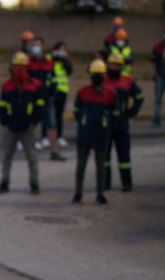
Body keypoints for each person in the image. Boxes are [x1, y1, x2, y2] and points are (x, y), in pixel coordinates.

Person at [72, 59, 119, 205]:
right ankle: (78, 193)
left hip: (101, 136)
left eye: (99, 74)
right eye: (94, 74)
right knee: (81, 166)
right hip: (85, 135)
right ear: (90, 76)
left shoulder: (110, 93)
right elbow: (76, 112)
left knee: (101, 167)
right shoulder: (83, 92)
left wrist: (107, 127)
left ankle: (100, 194)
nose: (96, 77)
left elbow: (115, 113)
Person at [0, 52, 43, 194]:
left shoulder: (35, 85)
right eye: (16, 66)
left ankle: (34, 183)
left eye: (22, 66)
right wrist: (5, 122)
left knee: (32, 157)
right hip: (10, 127)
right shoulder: (7, 85)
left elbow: (39, 106)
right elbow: (2, 106)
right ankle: (4, 182)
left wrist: (33, 122)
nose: (19, 69)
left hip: (28, 127)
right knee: (6, 156)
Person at [103, 53, 143, 192]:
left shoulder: (128, 81)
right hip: (106, 124)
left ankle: (127, 183)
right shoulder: (103, 80)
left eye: (117, 65)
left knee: (124, 156)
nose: (114, 67)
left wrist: (131, 112)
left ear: (121, 66)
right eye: (111, 64)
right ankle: (105, 183)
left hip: (121, 124)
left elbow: (139, 97)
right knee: (104, 157)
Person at [28, 37, 65, 161]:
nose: (36, 48)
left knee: (52, 125)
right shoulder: (28, 62)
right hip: (33, 99)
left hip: (47, 98)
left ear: (43, 47)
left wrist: (53, 95)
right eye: (33, 45)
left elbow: (54, 80)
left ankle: (54, 151)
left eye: (38, 45)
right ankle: (30, 151)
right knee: (31, 125)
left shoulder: (49, 63)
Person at [51, 41, 72, 148]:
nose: (61, 52)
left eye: (63, 50)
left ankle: (59, 136)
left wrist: (65, 59)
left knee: (59, 115)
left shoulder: (65, 62)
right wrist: (53, 57)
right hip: (52, 91)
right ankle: (46, 137)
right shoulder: (52, 60)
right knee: (50, 115)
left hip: (62, 90)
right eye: (60, 50)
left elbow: (69, 71)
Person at [151, 26, 165, 127]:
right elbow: (154, 61)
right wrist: (155, 73)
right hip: (160, 76)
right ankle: (156, 120)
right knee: (157, 99)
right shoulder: (157, 47)